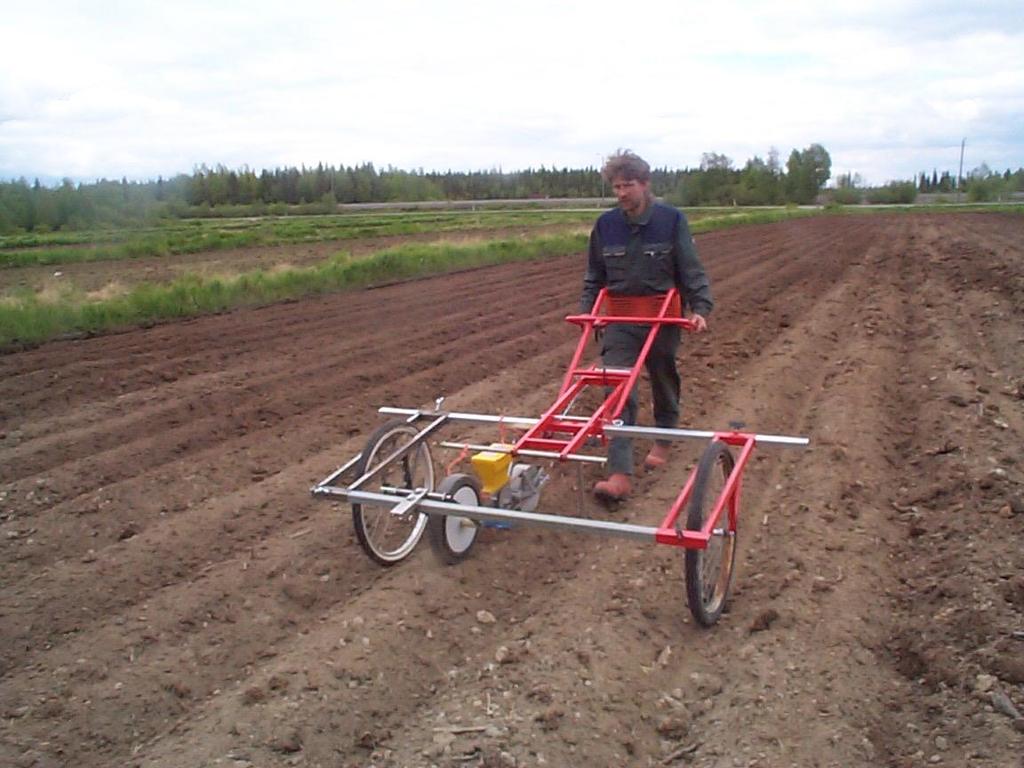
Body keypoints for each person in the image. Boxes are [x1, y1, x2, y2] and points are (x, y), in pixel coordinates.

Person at [580, 150, 713, 501]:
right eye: (616, 186)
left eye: (628, 185)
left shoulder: (671, 221)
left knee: (662, 374)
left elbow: (691, 268)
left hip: (662, 316)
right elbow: (595, 275)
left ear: (645, 184)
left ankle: (665, 437)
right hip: (621, 318)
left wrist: (699, 307)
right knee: (618, 385)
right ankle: (619, 473)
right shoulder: (606, 225)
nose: (621, 193)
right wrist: (588, 312)